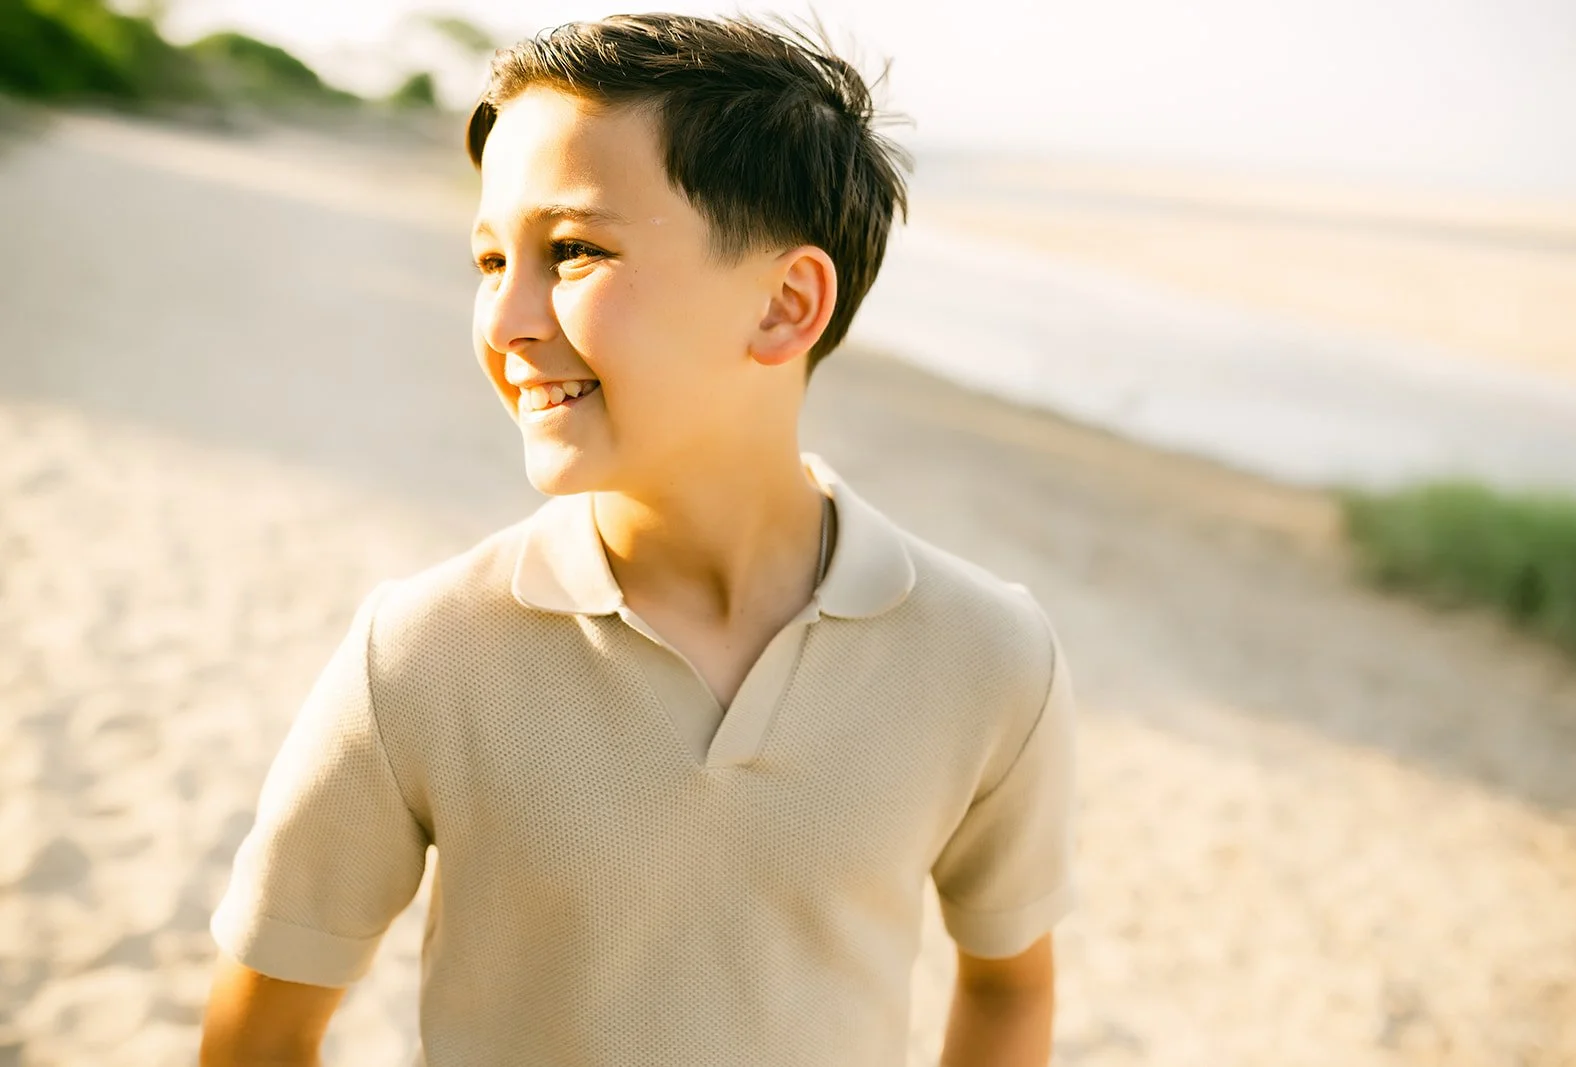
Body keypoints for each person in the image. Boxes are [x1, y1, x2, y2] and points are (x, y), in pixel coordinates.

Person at [199, 13, 1075, 1066]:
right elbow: (261, 1033)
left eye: (572, 250)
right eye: (490, 257)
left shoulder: (987, 654)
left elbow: (1008, 985)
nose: (506, 318)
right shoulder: (420, 655)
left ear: (785, 305)